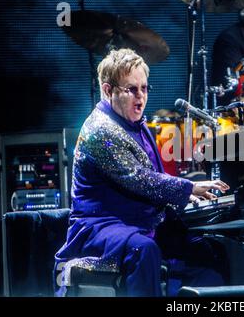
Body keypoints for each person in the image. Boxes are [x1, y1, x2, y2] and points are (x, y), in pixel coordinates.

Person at [54, 48, 230, 296]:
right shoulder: (100, 130)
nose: (141, 96)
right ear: (108, 91)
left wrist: (184, 197)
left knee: (208, 249)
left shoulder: (137, 123)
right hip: (101, 226)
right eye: (131, 89)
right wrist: (187, 187)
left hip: (142, 220)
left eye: (144, 88)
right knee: (143, 249)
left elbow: (153, 176)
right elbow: (139, 179)